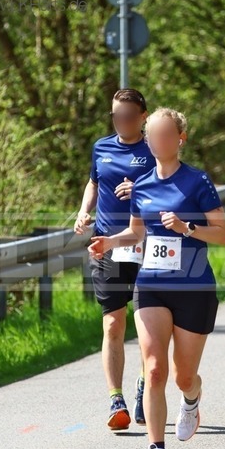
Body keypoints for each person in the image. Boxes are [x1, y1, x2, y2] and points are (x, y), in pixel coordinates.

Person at [89, 108, 225, 449]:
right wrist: (109, 242)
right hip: (151, 283)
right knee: (154, 370)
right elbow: (137, 233)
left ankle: (192, 397)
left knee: (183, 376)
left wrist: (188, 228)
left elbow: (223, 234)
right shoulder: (142, 184)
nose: (158, 142)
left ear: (180, 138)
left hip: (193, 287)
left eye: (166, 135)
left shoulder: (197, 181)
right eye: (153, 135)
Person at [74, 89, 156, 430]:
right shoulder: (101, 147)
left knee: (148, 325)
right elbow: (93, 182)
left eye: (127, 116)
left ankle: (145, 385)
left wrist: (139, 191)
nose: (121, 121)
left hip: (147, 245)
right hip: (108, 244)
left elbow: (170, 191)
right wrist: (84, 210)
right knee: (112, 323)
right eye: (116, 116)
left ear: (142, 117)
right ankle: (115, 399)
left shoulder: (154, 149)